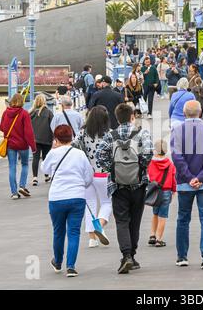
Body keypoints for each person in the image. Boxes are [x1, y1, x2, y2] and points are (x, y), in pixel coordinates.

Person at [96, 103, 153, 274]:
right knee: (135, 221)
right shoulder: (142, 133)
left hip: (117, 184)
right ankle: (132, 256)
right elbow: (149, 153)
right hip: (138, 184)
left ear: (117, 118)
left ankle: (126, 255)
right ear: (132, 116)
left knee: (122, 221)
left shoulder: (110, 136)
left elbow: (100, 156)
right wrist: (140, 168)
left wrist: (112, 169)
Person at [171, 100, 203, 269]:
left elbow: (177, 157)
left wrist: (190, 177)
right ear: (200, 113)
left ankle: (182, 256)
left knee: (183, 218)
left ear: (184, 113)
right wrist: (201, 177)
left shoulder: (177, 131)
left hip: (185, 182)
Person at [42, 125, 94, 277]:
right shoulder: (80, 154)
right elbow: (89, 175)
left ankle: (58, 262)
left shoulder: (53, 153)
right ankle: (71, 265)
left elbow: (44, 169)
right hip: (77, 196)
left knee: (58, 231)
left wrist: (53, 149)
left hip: (57, 197)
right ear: (71, 137)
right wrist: (82, 185)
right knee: (74, 232)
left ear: (56, 139)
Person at [72, 106, 112, 248]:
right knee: (107, 203)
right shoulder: (109, 134)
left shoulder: (82, 132)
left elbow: (74, 146)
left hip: (87, 174)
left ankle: (92, 239)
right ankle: (100, 225)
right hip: (104, 174)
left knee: (90, 205)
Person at [0, 93, 37, 199]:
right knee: (24, 164)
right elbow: (28, 132)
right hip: (23, 144)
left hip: (10, 144)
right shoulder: (24, 114)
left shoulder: (5, 113)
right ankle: (22, 185)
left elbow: (2, 127)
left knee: (12, 167)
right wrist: (33, 147)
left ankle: (14, 192)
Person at [147, 140, 177, 247]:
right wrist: (174, 190)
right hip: (166, 191)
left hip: (155, 192)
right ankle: (159, 239)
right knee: (163, 216)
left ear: (155, 151)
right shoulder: (170, 164)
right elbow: (173, 179)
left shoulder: (151, 164)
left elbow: (149, 177)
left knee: (155, 214)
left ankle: (152, 235)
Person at [30, 94, 54, 186]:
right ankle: (47, 175)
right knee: (46, 158)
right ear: (44, 101)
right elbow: (52, 126)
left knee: (35, 158)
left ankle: (35, 178)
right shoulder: (48, 112)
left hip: (34, 139)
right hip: (46, 138)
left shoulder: (31, 113)